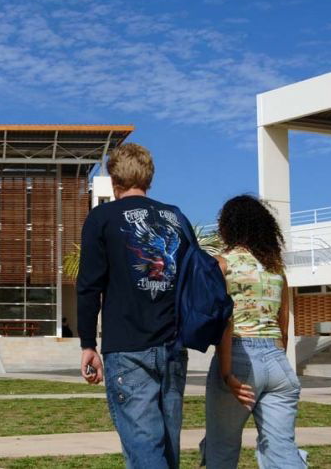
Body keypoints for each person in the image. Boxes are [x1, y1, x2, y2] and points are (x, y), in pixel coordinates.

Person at [77, 143, 194, 468]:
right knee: (165, 451)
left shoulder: (101, 218)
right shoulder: (176, 217)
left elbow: (88, 286)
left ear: (114, 180)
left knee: (145, 453)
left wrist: (88, 343)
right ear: (150, 178)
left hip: (127, 348)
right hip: (173, 346)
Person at [201, 195, 306, 468]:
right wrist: (272, 360)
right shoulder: (276, 270)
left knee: (221, 448)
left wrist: (226, 373)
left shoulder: (221, 264)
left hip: (236, 358)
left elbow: (224, 322)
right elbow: (283, 324)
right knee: (282, 451)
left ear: (228, 227)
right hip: (277, 362)